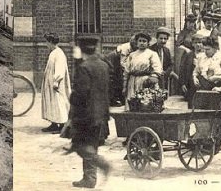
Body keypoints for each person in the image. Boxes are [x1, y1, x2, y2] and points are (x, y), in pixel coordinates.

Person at [68, 37, 112, 188]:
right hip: (101, 113)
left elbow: (80, 94)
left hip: (86, 114)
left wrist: (72, 101)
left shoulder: (84, 67)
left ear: (81, 49)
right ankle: (90, 178)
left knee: (80, 145)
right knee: (92, 143)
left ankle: (103, 164)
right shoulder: (103, 65)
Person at [122, 33, 163, 110]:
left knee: (145, 103)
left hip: (145, 82)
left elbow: (157, 68)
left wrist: (152, 79)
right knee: (132, 104)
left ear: (148, 43)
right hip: (132, 82)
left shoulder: (152, 54)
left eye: (144, 41)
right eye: (140, 41)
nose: (142, 43)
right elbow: (126, 71)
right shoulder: (132, 55)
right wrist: (124, 86)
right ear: (137, 42)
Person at [41, 34, 70, 133]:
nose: (46, 44)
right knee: (51, 103)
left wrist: (56, 82)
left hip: (56, 84)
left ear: (50, 42)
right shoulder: (53, 52)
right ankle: (54, 123)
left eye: (46, 42)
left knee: (58, 103)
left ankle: (61, 125)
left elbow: (60, 69)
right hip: (50, 83)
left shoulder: (59, 53)